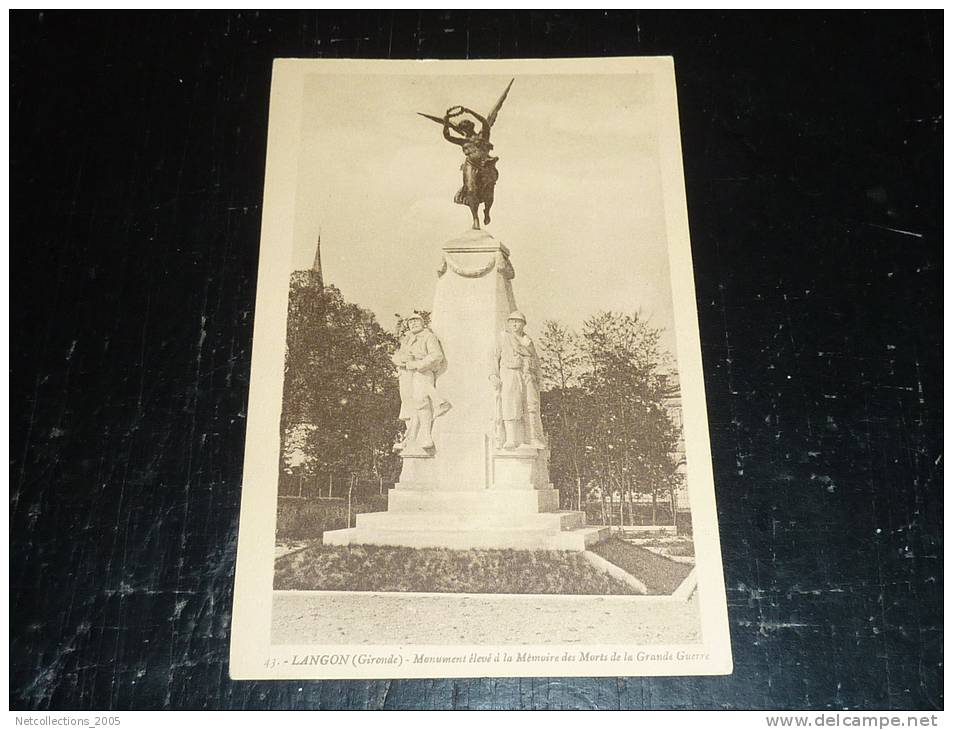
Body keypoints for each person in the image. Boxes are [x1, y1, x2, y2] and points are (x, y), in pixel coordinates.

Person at [393, 314, 451, 453]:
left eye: (416, 321)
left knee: (421, 400)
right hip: (406, 374)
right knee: (408, 407)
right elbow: (397, 356)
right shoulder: (407, 339)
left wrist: (418, 364)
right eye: (411, 321)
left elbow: (436, 355)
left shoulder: (428, 337)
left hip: (422, 372)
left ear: (422, 322)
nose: (413, 323)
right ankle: (410, 438)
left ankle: (426, 435)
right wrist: (402, 361)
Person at [490, 310, 547, 450]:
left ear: (523, 324)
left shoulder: (527, 341)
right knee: (511, 404)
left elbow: (536, 360)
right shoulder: (503, 338)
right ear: (508, 323)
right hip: (509, 373)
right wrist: (493, 375)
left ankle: (532, 437)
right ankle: (511, 439)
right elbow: (493, 357)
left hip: (527, 374)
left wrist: (539, 378)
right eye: (513, 321)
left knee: (531, 406)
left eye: (518, 321)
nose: (515, 324)